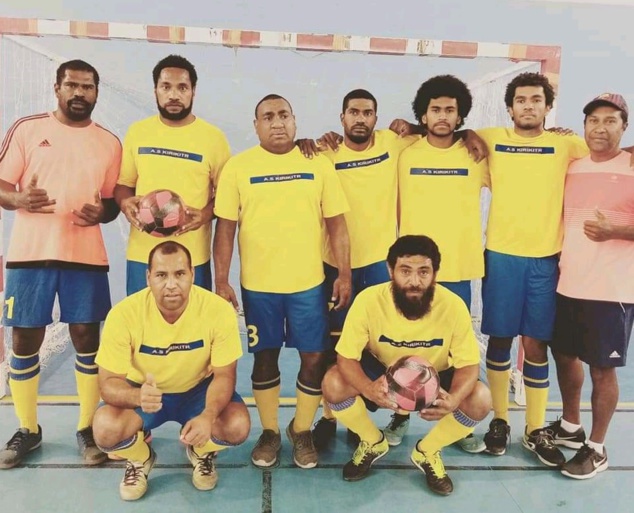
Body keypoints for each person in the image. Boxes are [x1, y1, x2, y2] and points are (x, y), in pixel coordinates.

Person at [213, 94, 351, 470]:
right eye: (268, 117)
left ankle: (301, 429)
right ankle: (270, 431)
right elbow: (225, 229)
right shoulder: (238, 167)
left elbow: (337, 224)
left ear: (294, 120)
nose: (277, 122)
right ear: (256, 125)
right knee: (265, 357)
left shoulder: (317, 163)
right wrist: (221, 280)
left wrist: (344, 273)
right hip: (259, 288)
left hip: (308, 285)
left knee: (314, 356)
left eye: (284, 115)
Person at [0, 59, 121, 469]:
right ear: (57, 88)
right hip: (30, 253)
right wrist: (18, 199)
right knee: (24, 340)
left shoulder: (109, 143)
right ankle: (28, 429)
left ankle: (87, 427)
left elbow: (112, 203)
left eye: (87, 86)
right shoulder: (27, 129)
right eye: (72, 85)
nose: (79, 92)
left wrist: (102, 213)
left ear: (97, 92)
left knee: (87, 339)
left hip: (85, 255)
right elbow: (2, 185)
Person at [322, 235, 491, 496]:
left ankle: (428, 451)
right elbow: (346, 357)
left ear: (435, 273)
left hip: (435, 376)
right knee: (333, 383)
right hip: (383, 372)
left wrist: (455, 399)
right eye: (405, 271)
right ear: (390, 270)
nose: (414, 281)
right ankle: (372, 441)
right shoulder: (368, 301)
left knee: (481, 398)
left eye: (423, 271)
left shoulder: (453, 306)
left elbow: (469, 365)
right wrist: (368, 388)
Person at [92, 241, 249, 501]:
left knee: (237, 425)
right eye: (161, 275)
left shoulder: (217, 310)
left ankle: (201, 451)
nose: (171, 284)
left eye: (180, 274)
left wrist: (208, 416)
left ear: (192, 274)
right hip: (145, 394)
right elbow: (108, 383)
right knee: (104, 429)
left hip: (197, 391)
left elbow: (224, 376)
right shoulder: (123, 315)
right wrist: (137, 396)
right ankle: (141, 458)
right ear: (148, 277)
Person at [308, 89, 418, 450]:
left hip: (380, 266)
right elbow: (290, 151)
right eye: (353, 112)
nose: (360, 118)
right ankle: (330, 416)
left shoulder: (391, 142)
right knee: (334, 346)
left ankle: (375, 418)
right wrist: (303, 141)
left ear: (376, 117)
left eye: (367, 112)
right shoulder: (325, 152)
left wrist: (413, 124)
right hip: (335, 264)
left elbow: (440, 131)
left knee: (383, 345)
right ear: (341, 118)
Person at [394, 75, 489, 452]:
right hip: (413, 273)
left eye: (451, 110)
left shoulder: (476, 154)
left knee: (455, 353)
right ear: (423, 114)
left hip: (459, 269)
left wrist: (471, 135)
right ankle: (400, 413)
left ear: (461, 116)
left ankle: (457, 422)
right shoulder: (405, 151)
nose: (443, 116)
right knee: (406, 346)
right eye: (435, 109)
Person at [548, 94, 634, 480]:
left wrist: (616, 230)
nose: (601, 128)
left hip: (612, 290)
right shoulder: (573, 165)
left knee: (602, 369)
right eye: (593, 120)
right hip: (569, 282)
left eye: (610, 121)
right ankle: (571, 425)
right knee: (564, 355)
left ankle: (597, 448)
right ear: (583, 126)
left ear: (624, 127)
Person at [115, 54, 231, 295]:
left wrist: (204, 215)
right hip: (142, 256)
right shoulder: (138, 132)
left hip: (192, 258)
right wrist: (125, 203)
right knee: (142, 319)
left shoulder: (213, 138)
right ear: (155, 90)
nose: (174, 95)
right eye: (166, 87)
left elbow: (227, 197)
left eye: (182, 88)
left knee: (192, 320)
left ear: (193, 91)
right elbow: (124, 185)